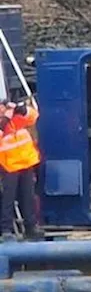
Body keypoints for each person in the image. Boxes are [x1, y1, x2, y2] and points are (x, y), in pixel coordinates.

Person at [0, 99, 43, 242]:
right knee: (8, 198)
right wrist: (5, 118)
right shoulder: (4, 122)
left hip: (26, 162)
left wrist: (21, 109)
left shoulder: (16, 118)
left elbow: (33, 116)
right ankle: (6, 229)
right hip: (9, 165)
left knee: (28, 196)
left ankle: (31, 227)